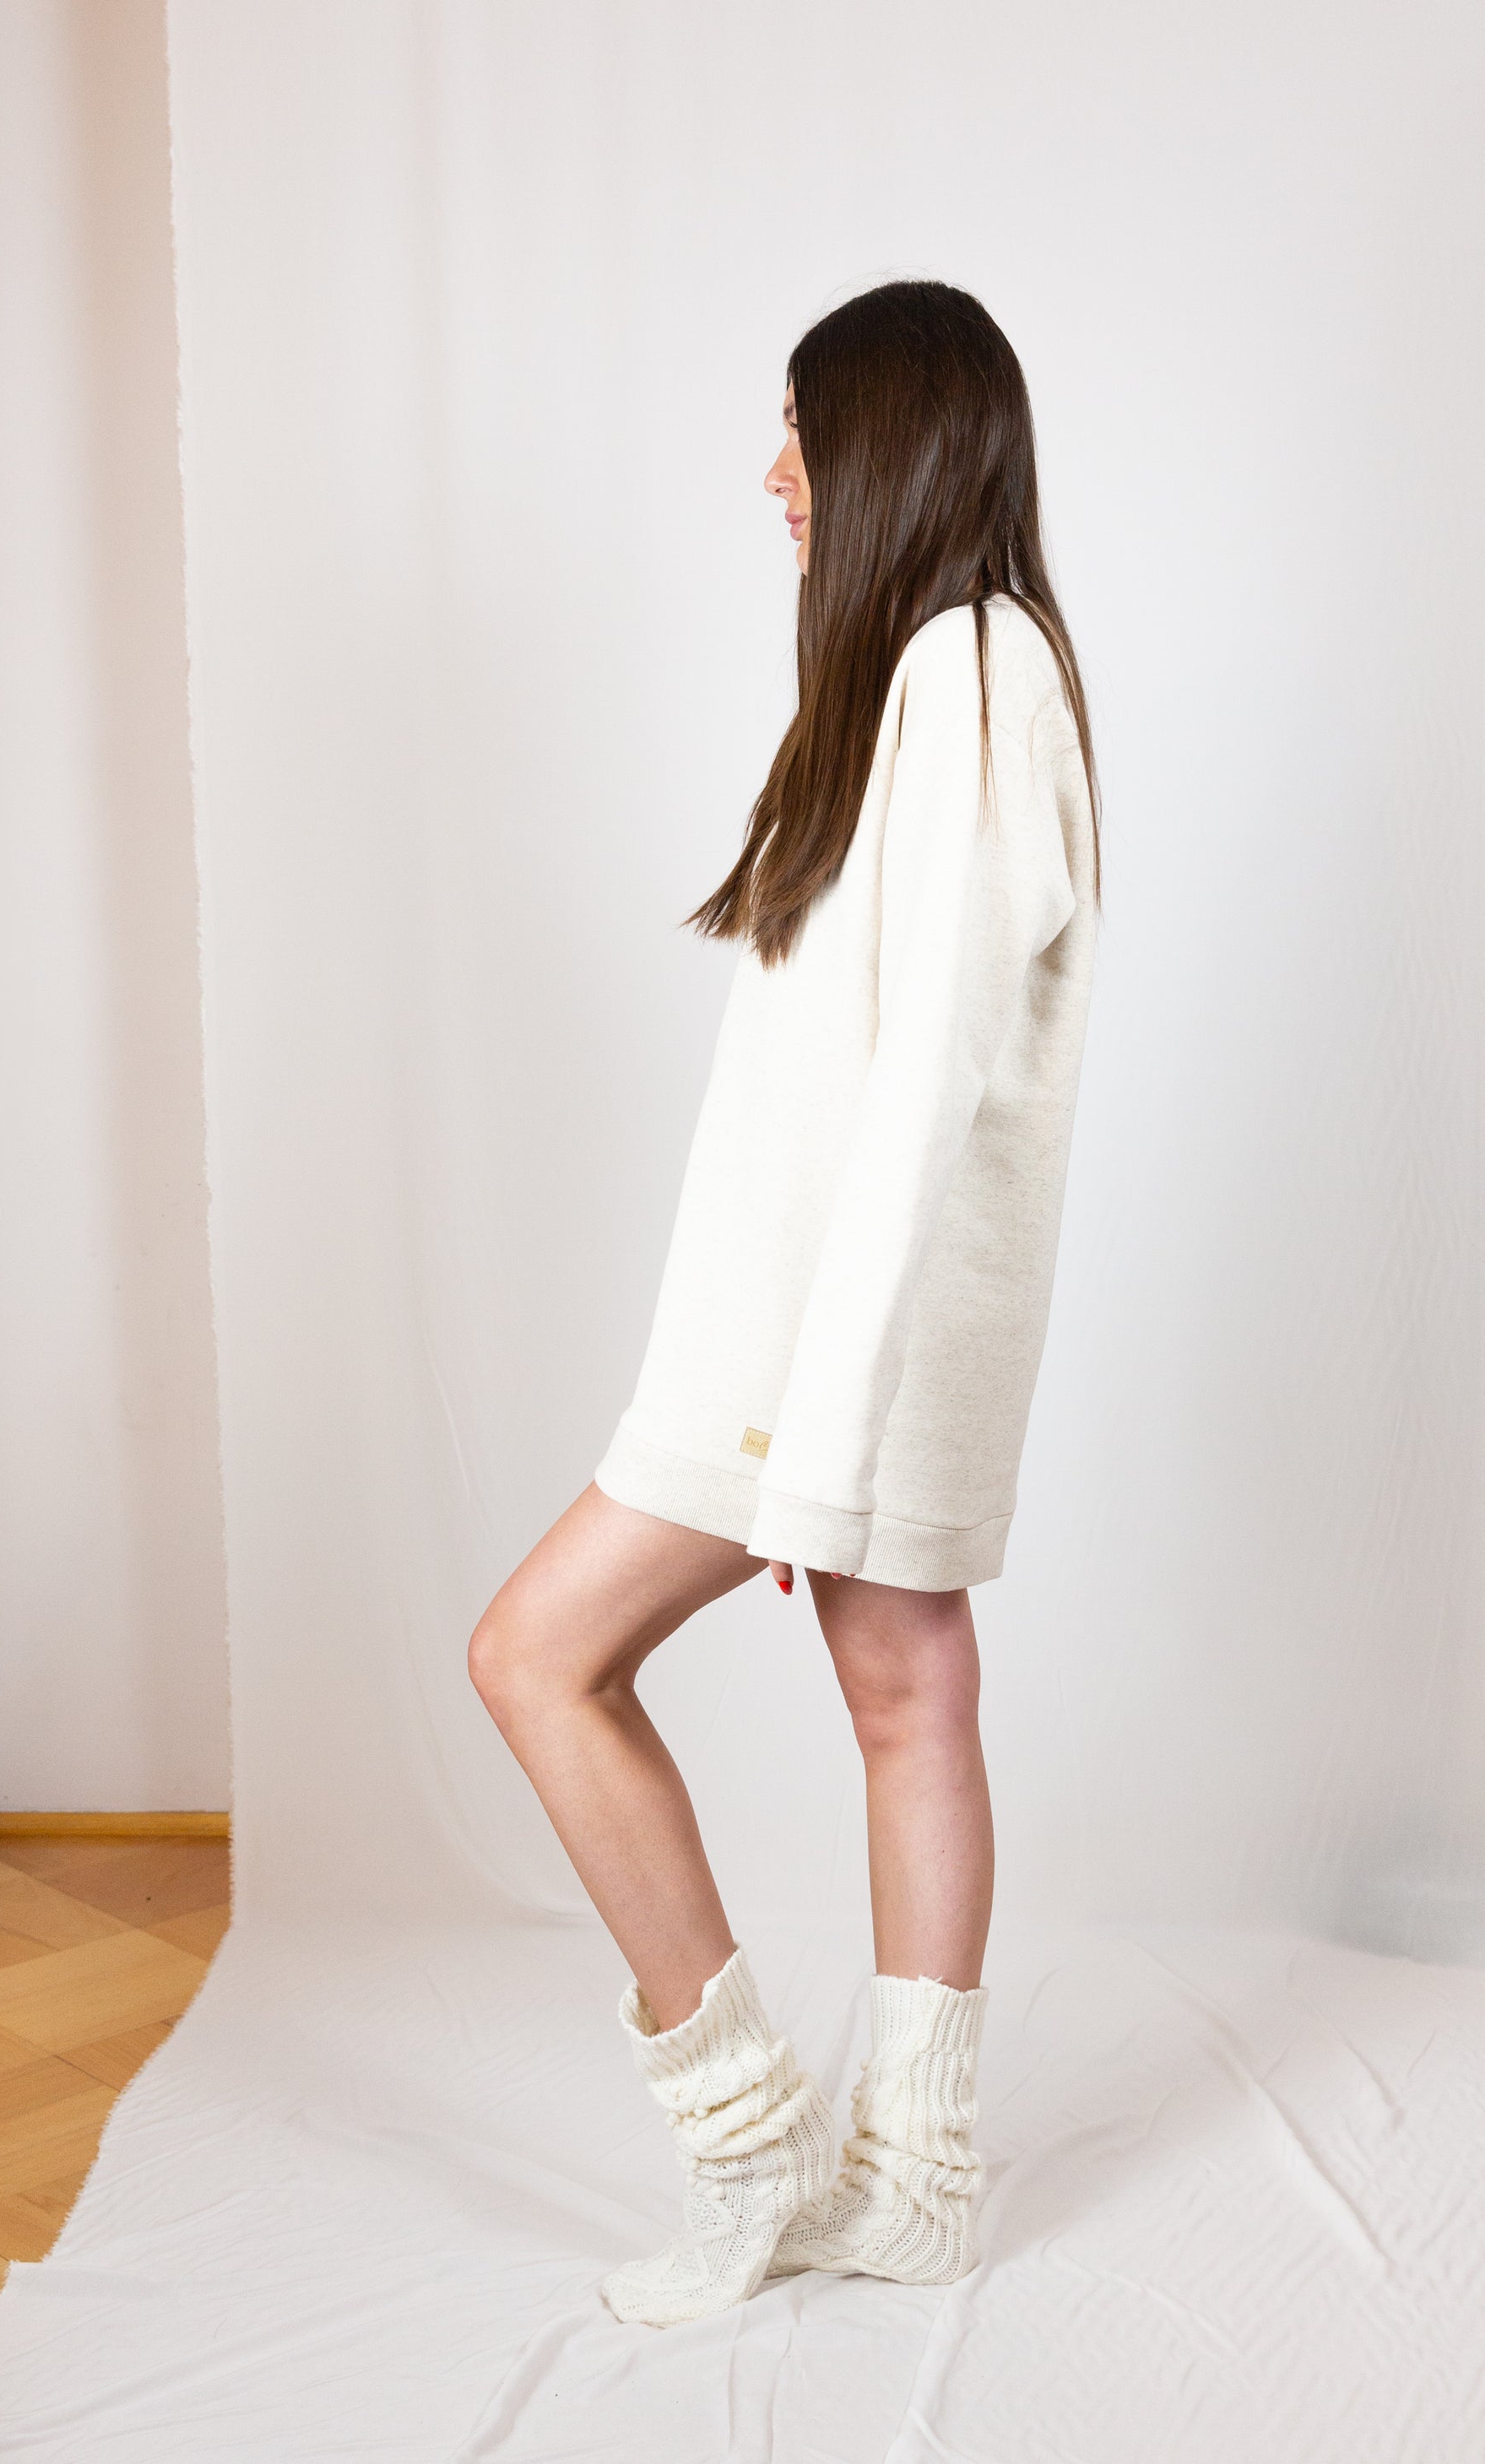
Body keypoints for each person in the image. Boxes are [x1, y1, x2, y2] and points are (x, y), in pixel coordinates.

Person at [469, 278, 1099, 2329]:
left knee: (538, 1655)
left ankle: (760, 2148)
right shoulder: (923, 674)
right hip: (825, 1331)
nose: (774, 475)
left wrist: (818, 1434)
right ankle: (899, 2180)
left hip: (843, 1342)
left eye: (801, 435)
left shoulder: (975, 671)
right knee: (904, 1695)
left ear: (888, 444)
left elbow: (933, 1085)